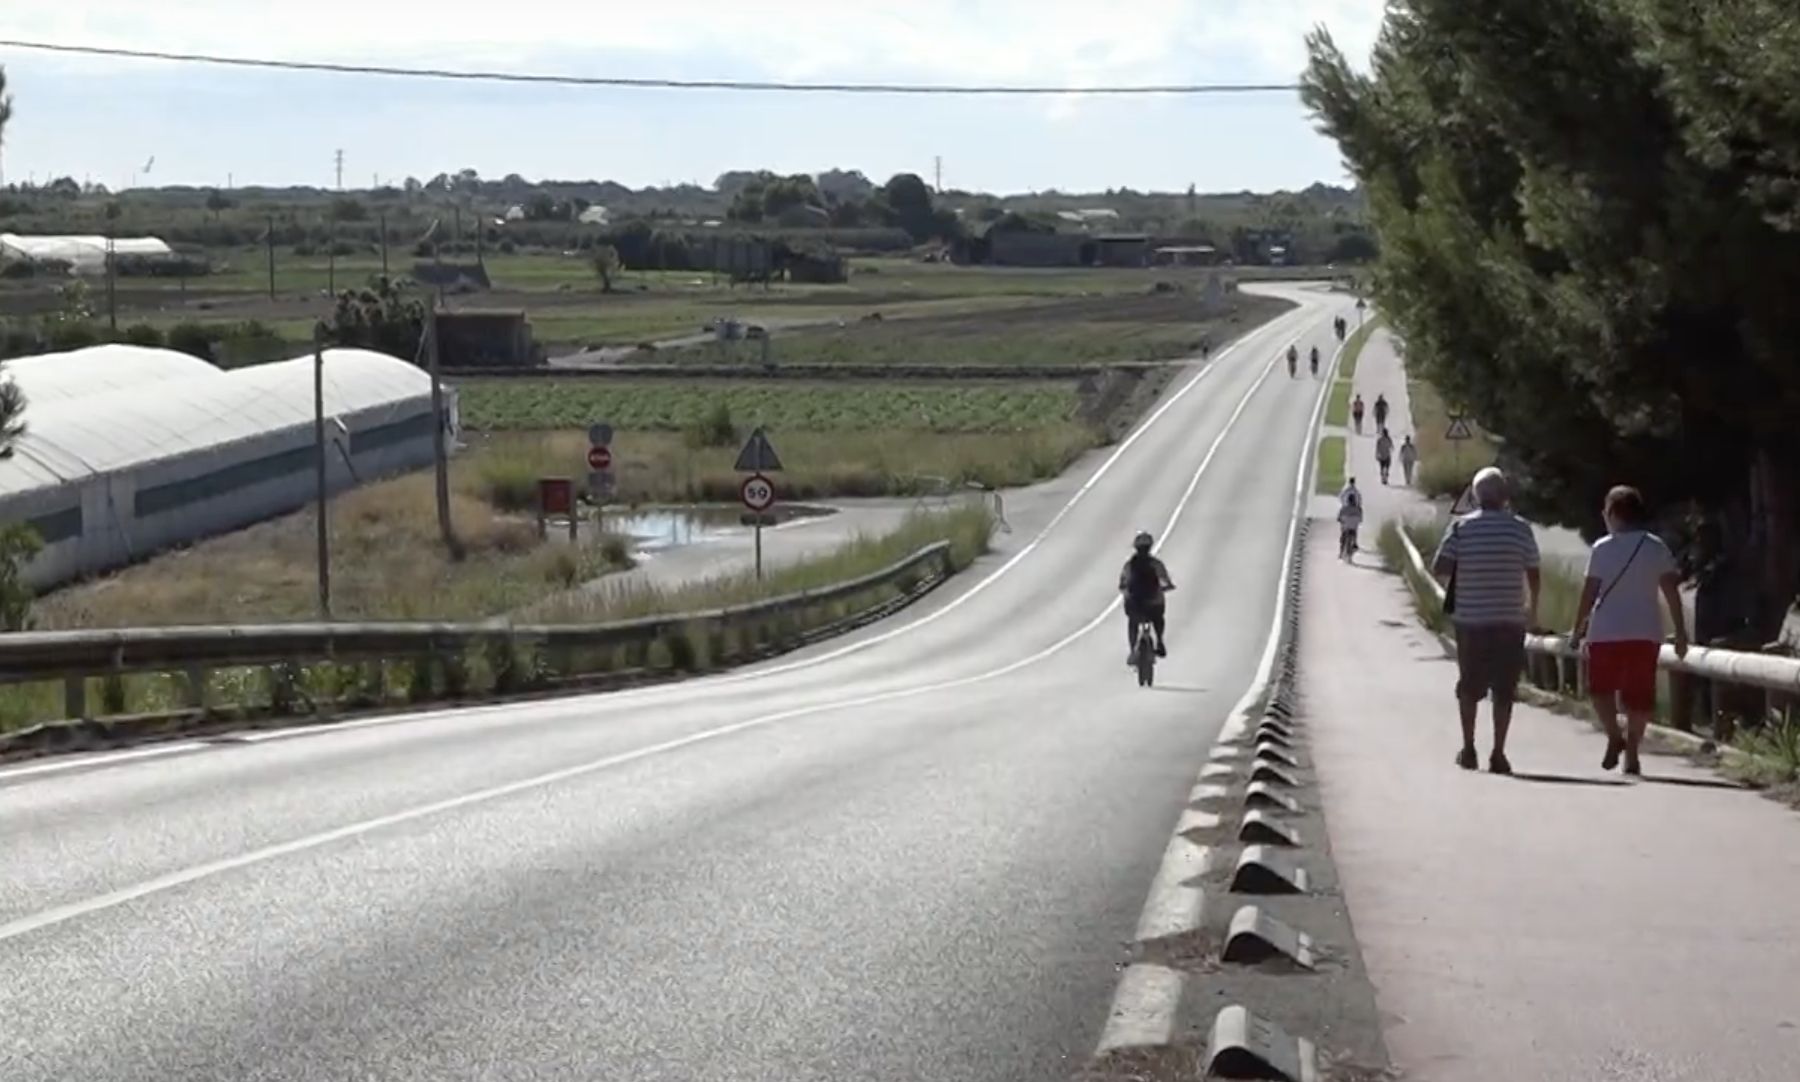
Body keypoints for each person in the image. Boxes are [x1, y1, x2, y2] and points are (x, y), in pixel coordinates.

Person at [1569, 486, 1689, 776]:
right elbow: (1671, 591)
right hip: (1644, 631)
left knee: (1600, 691)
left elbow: (1589, 594)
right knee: (1639, 695)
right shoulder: (1656, 547)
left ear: (1611, 513)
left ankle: (1614, 734)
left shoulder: (1602, 548)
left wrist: (1577, 630)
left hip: (1605, 631)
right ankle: (1632, 749)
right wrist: (1681, 631)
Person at [1431, 467, 1541, 775]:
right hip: (1509, 618)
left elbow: (1439, 567)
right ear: (1505, 497)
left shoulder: (1461, 529)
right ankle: (1498, 752)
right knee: (1504, 688)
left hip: (1471, 619)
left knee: (1469, 685)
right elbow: (1533, 571)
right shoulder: (1521, 529)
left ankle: (1468, 748)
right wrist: (1532, 610)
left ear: (1476, 497)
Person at [1119, 530, 1174, 664]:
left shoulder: (1130, 564)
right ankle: (1160, 641)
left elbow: (1123, 582)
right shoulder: (1155, 564)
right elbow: (1165, 579)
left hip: (1135, 603)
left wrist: (1125, 589)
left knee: (1133, 622)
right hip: (1153, 602)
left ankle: (1132, 650)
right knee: (1158, 618)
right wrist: (1168, 586)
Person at [1337, 479, 1363, 560]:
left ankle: (1341, 552)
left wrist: (1340, 519)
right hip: (1353, 523)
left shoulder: (1346, 490)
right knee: (1354, 532)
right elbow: (1359, 501)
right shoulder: (1356, 491)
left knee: (1343, 536)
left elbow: (1341, 497)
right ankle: (1354, 544)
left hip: (1346, 520)